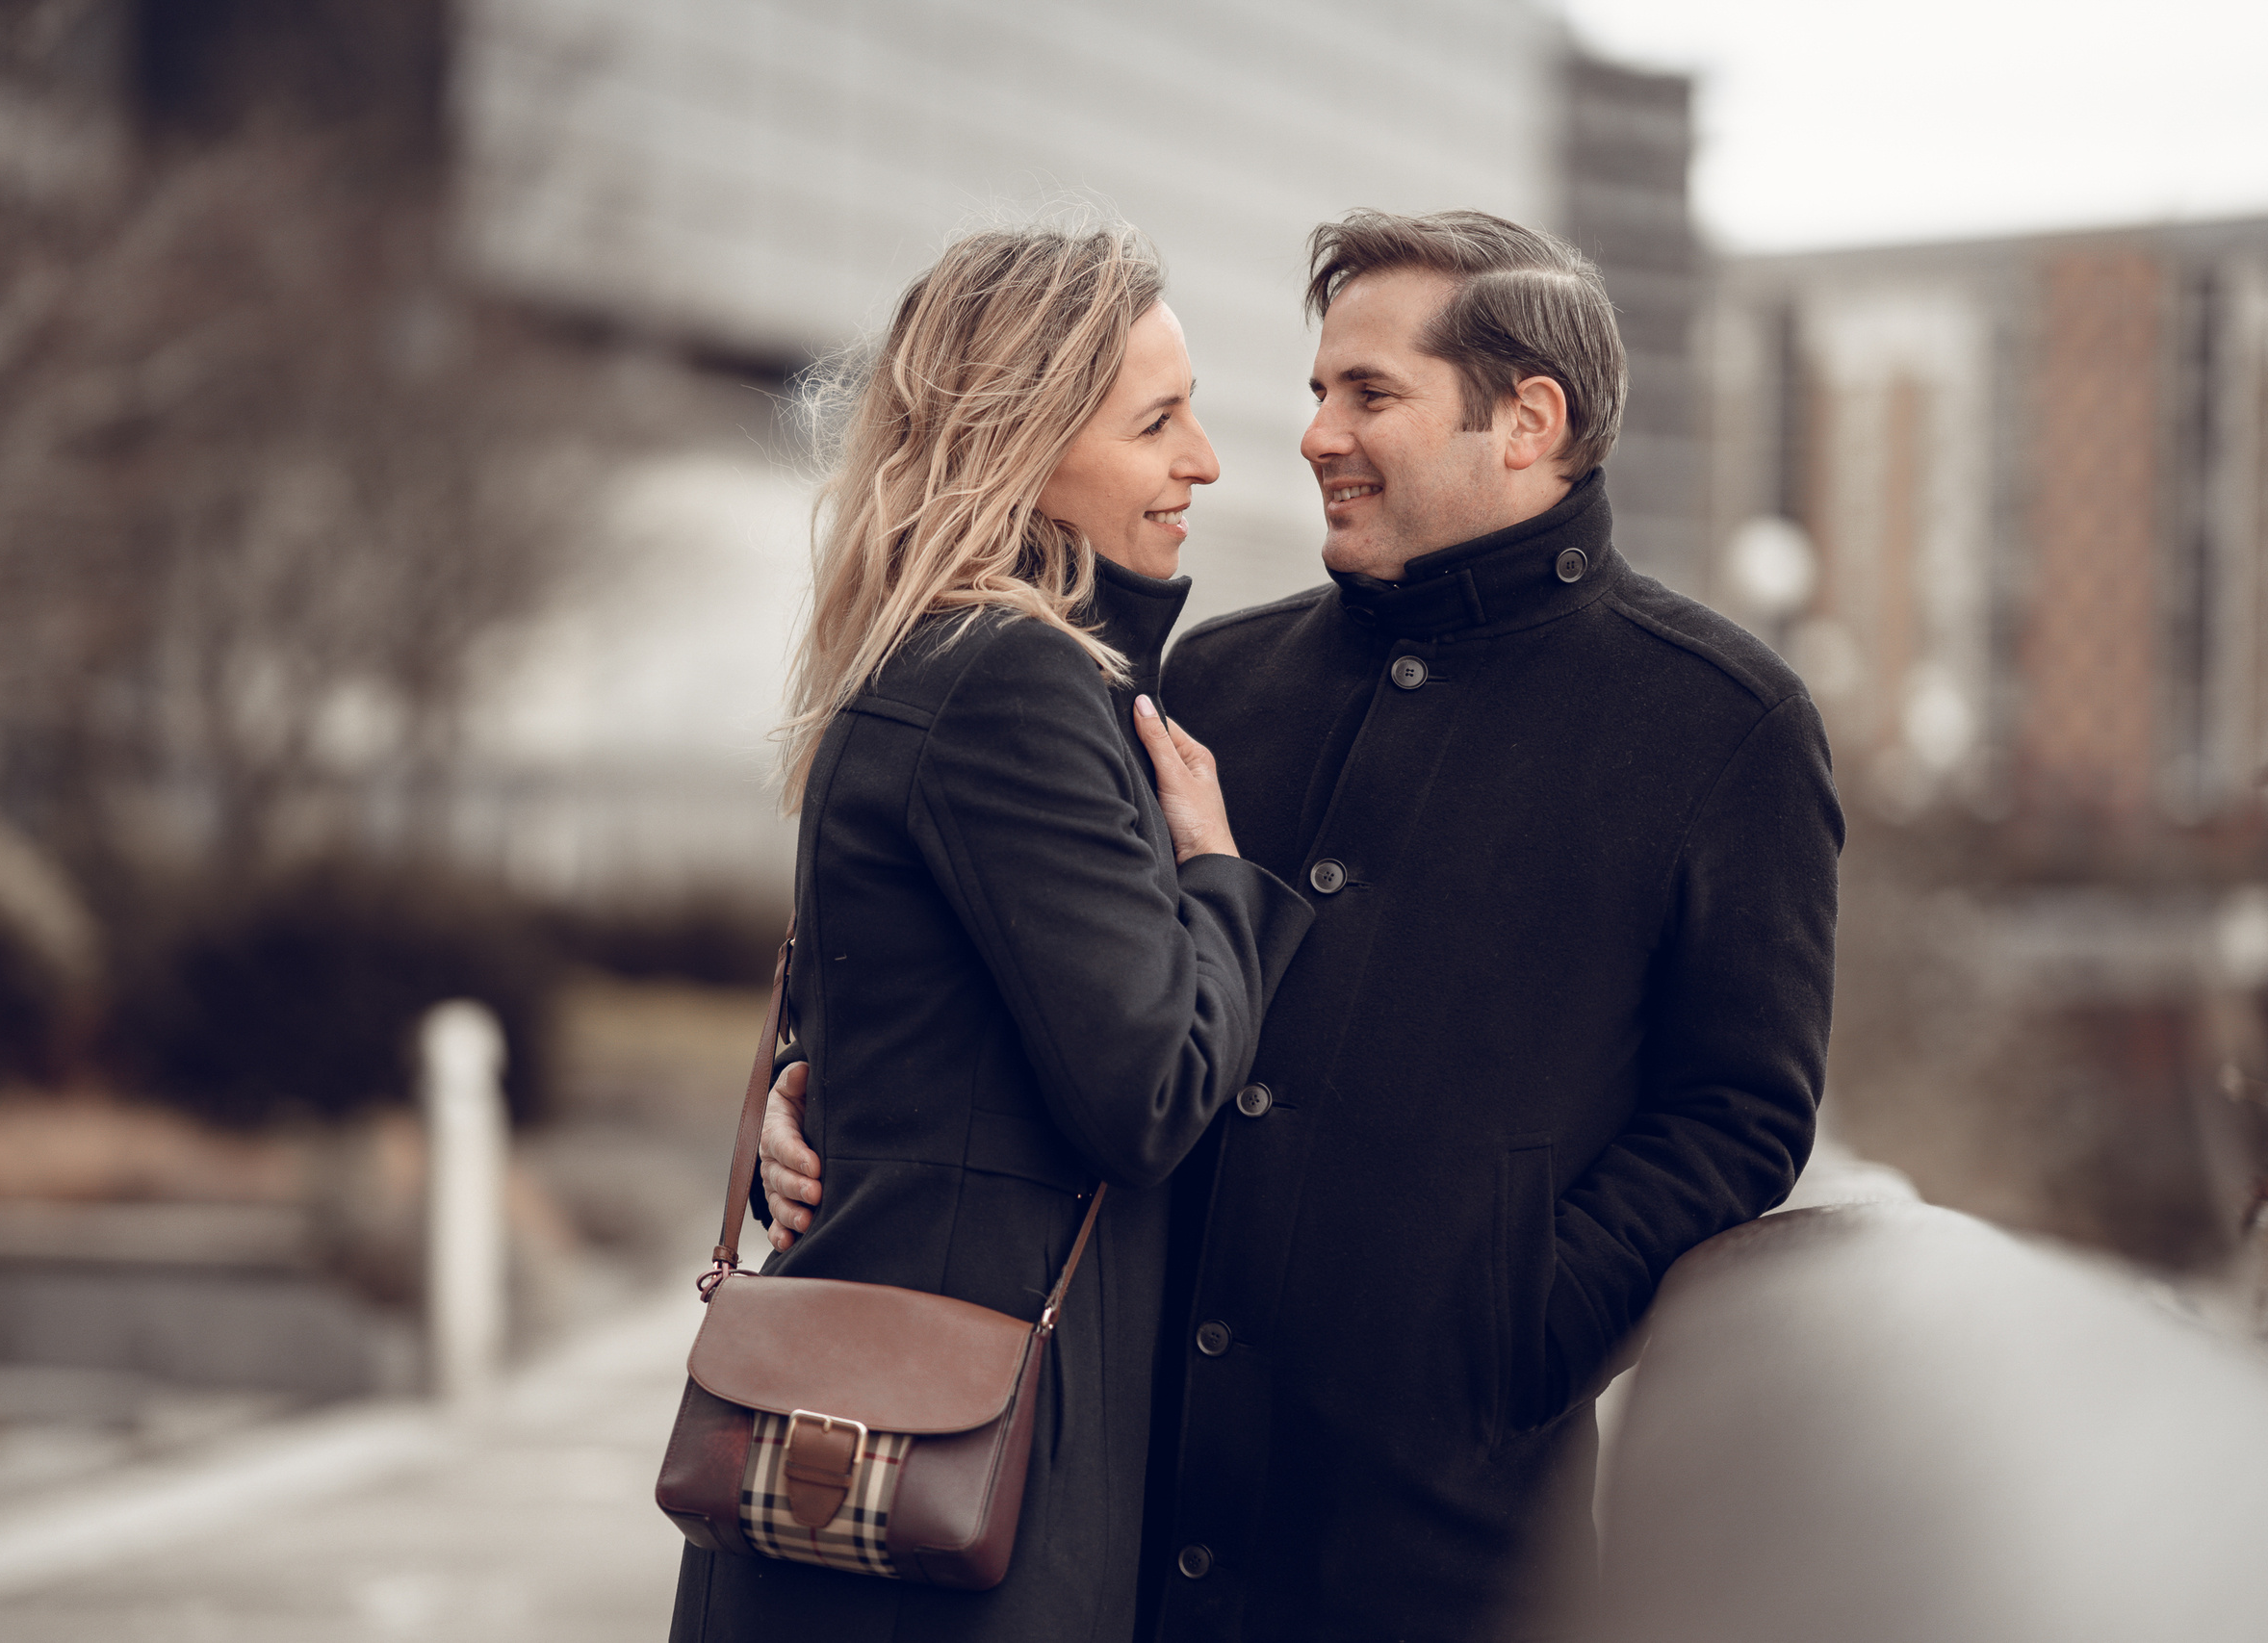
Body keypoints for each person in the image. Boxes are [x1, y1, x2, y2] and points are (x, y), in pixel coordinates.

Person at [761, 208, 1842, 1640]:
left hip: (1443, 1545)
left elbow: (1741, 1113)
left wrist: (1512, 1331)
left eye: (1369, 394)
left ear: (1526, 420)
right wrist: (814, 1084)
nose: (1314, 431)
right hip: (1111, 1502)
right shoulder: (1208, 675)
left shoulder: (1722, 722)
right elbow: (1001, 939)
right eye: (1321, 387)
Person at [672, 223, 1315, 1643]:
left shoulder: (933, 661)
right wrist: (1217, 877)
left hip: (885, 1438)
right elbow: (1149, 1092)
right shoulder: (1012, 682)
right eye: (1159, 423)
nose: (1205, 460)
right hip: (950, 1480)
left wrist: (809, 1090)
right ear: (1022, 445)